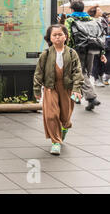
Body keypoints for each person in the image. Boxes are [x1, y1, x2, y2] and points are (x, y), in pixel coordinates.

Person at [33, 24, 84, 155]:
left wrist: (77, 89)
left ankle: (64, 128)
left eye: (60, 34)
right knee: (51, 115)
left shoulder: (72, 53)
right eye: (54, 35)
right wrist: (37, 89)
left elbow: (78, 72)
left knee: (65, 116)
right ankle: (56, 142)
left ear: (65, 37)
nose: (57, 37)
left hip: (67, 88)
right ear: (50, 38)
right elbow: (38, 73)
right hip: (51, 88)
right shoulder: (46, 54)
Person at [64, 1, 107, 111]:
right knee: (85, 72)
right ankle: (76, 96)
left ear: (72, 9)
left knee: (81, 73)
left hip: (78, 50)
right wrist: (102, 53)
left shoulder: (70, 20)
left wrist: (68, 50)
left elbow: (67, 36)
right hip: (92, 49)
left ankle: (91, 97)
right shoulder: (92, 20)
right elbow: (99, 36)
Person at [87, 6, 109, 86]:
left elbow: (106, 31)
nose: (101, 10)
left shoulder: (102, 19)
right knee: (96, 61)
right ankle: (96, 79)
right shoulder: (90, 21)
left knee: (102, 61)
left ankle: (100, 77)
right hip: (94, 43)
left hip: (103, 43)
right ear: (94, 12)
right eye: (98, 9)